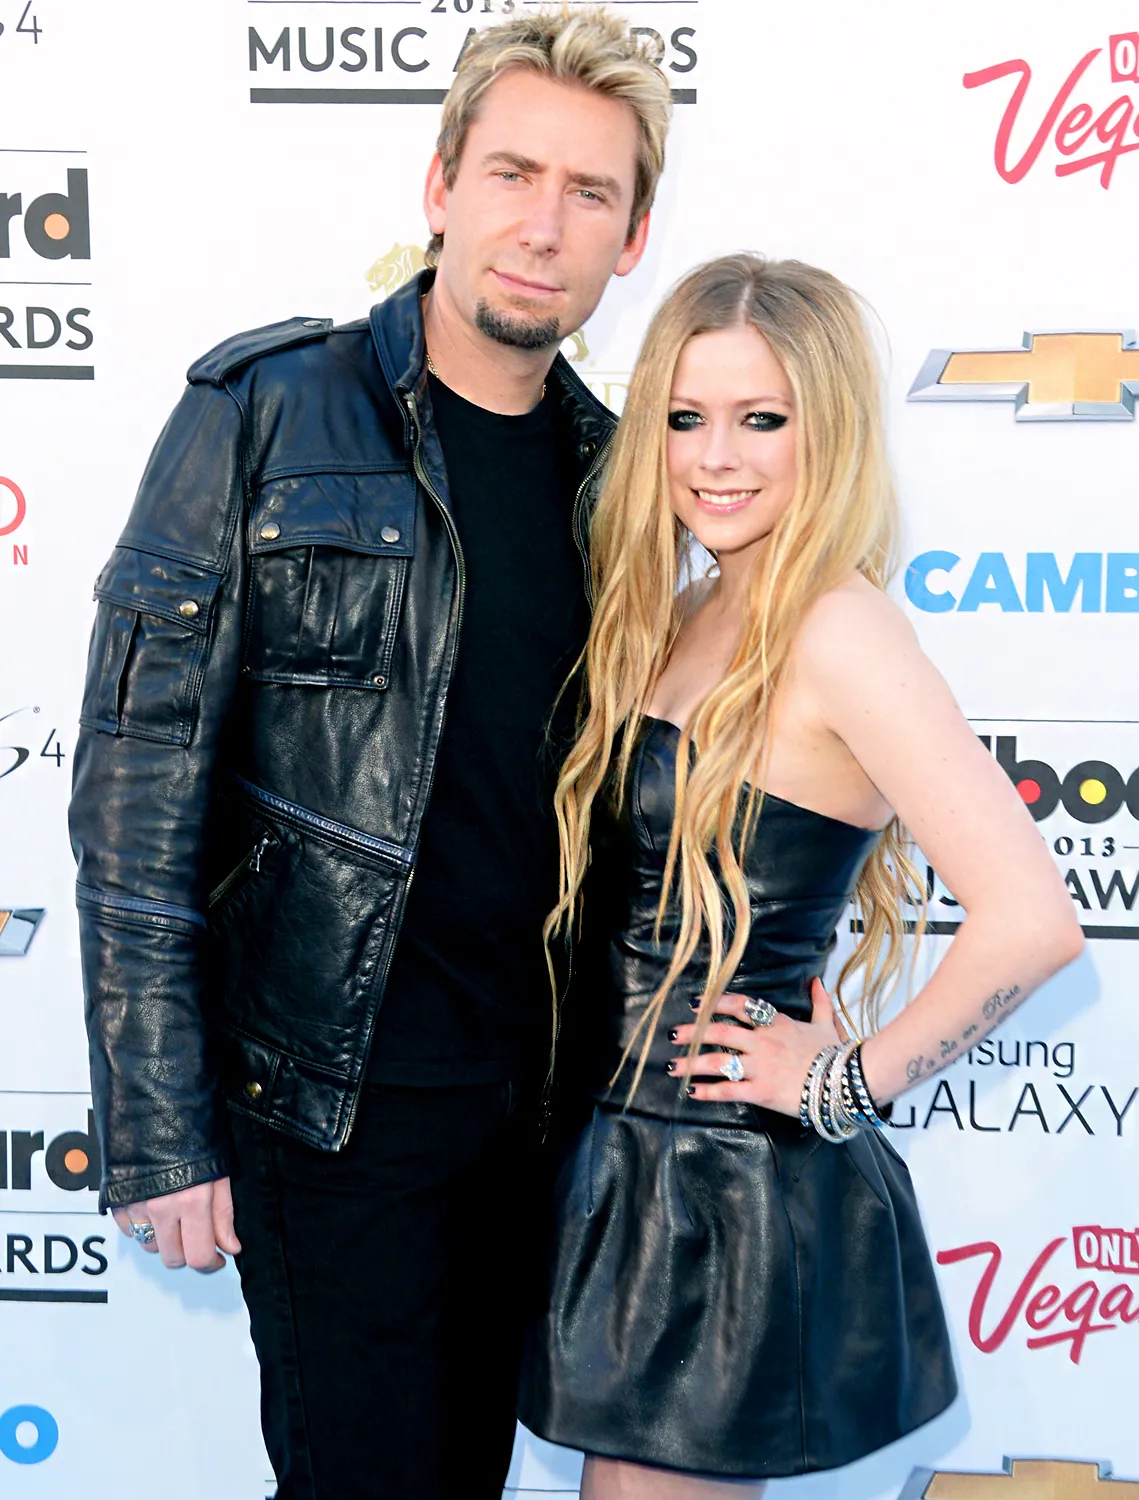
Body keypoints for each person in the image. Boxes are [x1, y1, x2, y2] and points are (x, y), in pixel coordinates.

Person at [67, 12, 672, 1498]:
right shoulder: (265, 412)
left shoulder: (624, 483)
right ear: (439, 185)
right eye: (511, 174)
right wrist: (159, 1128)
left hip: (537, 1121)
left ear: (632, 236)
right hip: (329, 1113)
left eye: (587, 193)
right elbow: (136, 786)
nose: (542, 225)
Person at [519, 254, 1084, 1496]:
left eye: (760, 419)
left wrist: (841, 1080)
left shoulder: (836, 627)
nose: (715, 457)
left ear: (823, 431)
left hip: (718, 1188)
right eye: (685, 417)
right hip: (621, 1164)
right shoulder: (684, 606)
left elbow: (1032, 920)